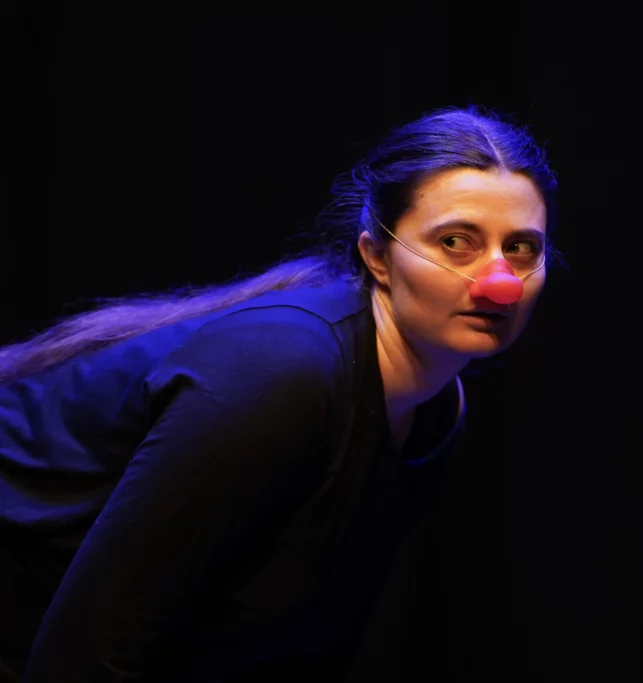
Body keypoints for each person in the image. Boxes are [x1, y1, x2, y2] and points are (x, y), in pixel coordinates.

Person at [0, 105, 558, 682]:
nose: (499, 282)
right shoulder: (284, 372)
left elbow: (293, 637)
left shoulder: (438, 411)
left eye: (521, 249)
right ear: (377, 256)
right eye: (456, 241)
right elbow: (88, 650)